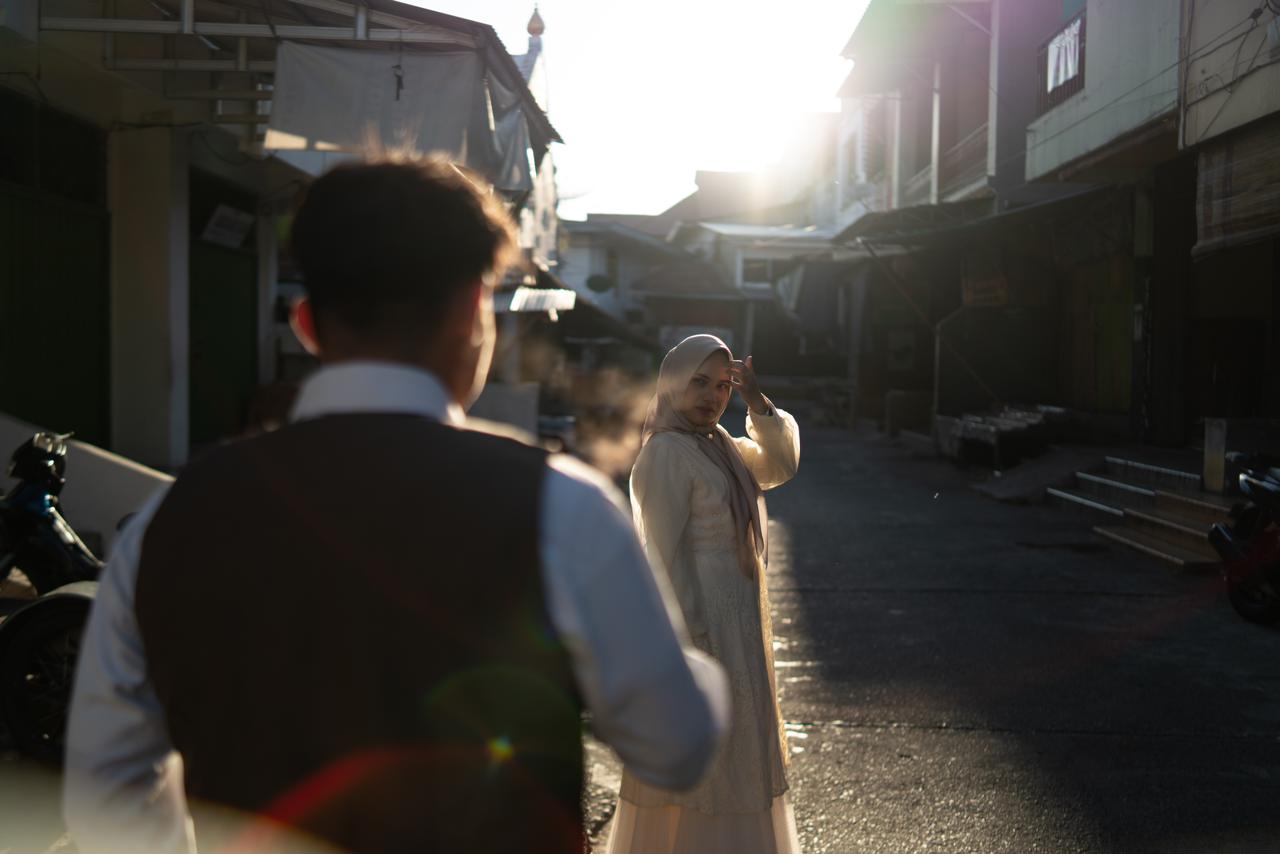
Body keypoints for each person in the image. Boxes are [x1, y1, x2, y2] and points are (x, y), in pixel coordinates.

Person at [63, 155, 729, 854]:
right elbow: (676, 747)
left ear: (307, 323)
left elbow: (107, 796)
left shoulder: (172, 519)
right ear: (474, 310)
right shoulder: (561, 504)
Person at [605, 334, 802, 854]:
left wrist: (755, 400)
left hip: (738, 630)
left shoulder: (720, 445)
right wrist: (689, 647)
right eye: (698, 382)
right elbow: (659, 561)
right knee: (707, 769)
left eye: (721, 386)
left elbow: (781, 464)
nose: (712, 397)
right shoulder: (665, 453)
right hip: (703, 635)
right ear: (672, 382)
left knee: (738, 760)